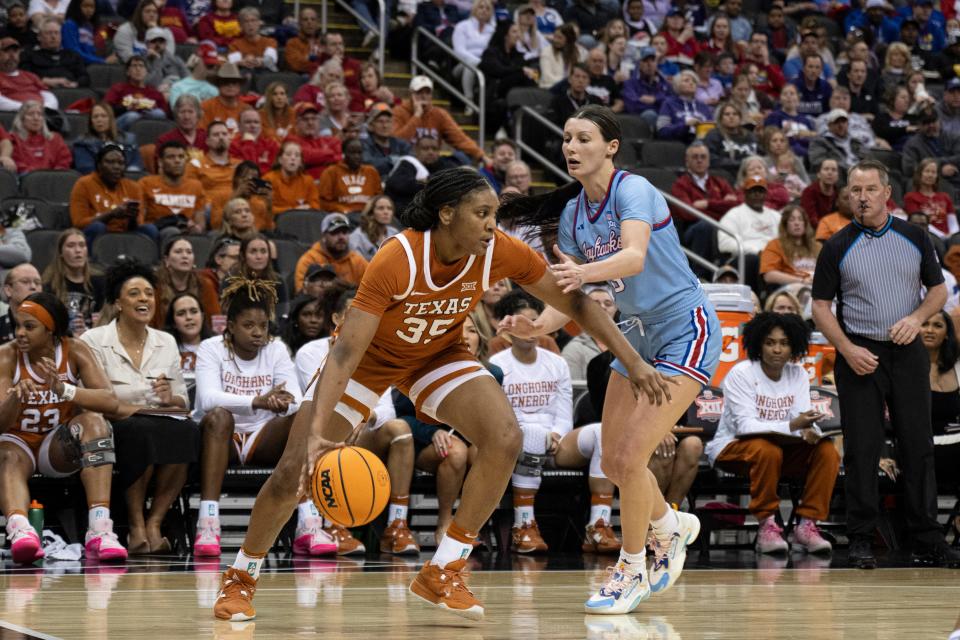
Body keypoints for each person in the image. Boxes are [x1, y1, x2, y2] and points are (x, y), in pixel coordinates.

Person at [213, 165, 649, 622]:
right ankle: (240, 577)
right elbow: (343, 356)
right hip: (368, 360)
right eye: (481, 213)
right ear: (445, 214)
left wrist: (633, 361)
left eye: (495, 213)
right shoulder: (397, 257)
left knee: (504, 437)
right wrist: (319, 432)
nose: (491, 224)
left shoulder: (498, 250)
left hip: (436, 354)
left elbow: (574, 302)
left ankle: (443, 569)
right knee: (293, 471)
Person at [498, 104, 722, 612]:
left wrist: (584, 272)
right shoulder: (575, 214)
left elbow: (634, 257)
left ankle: (632, 568)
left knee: (627, 457)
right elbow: (573, 297)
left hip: (686, 328)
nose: (571, 148)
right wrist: (538, 324)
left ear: (611, 147)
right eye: (566, 139)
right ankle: (670, 523)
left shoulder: (633, 189)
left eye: (582, 139)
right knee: (618, 461)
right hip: (635, 338)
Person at [811, 159, 960, 569]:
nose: (861, 197)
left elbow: (938, 289)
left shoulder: (914, 236)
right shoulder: (838, 244)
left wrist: (915, 319)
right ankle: (860, 537)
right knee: (863, 447)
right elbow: (820, 306)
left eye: (869, 189)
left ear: (887, 193)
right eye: (855, 190)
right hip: (859, 351)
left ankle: (926, 537)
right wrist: (846, 348)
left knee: (918, 444)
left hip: (907, 351)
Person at [193, 276, 323, 558]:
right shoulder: (211, 348)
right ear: (230, 326)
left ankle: (308, 521)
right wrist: (258, 401)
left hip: (262, 437)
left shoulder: (276, 349)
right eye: (249, 325)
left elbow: (296, 400)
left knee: (301, 417)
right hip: (221, 440)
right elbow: (207, 399)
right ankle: (208, 523)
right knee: (219, 417)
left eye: (262, 326)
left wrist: (282, 404)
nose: (257, 333)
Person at [80, 259, 200, 554]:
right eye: (134, 293)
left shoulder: (167, 341)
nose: (144, 298)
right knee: (141, 432)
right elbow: (90, 398)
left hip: (157, 417)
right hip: (114, 421)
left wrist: (169, 396)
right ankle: (135, 525)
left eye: (148, 293)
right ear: (118, 303)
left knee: (188, 431)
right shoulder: (94, 340)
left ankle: (154, 521)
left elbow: (182, 400)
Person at [0, 292, 126, 564]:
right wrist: (14, 397)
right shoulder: (7, 356)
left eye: (29, 327)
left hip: (55, 446)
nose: (20, 333)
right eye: (17, 325)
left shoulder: (75, 350)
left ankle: (100, 530)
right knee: (6, 453)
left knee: (94, 422)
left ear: (51, 329)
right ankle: (20, 530)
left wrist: (64, 389)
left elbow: (110, 401)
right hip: (17, 443)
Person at [704, 312, 839, 554]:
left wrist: (809, 430)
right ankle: (766, 526)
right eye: (770, 342)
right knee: (767, 449)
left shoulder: (797, 374)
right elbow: (745, 427)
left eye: (784, 343)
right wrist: (793, 426)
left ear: (794, 346)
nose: (777, 349)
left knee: (826, 451)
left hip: (780, 452)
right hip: (732, 449)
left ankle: (807, 527)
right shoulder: (742, 372)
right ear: (758, 344)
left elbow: (801, 417)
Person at [70, 144, 159, 247]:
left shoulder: (133, 187)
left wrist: (132, 217)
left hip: (125, 234)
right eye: (110, 162)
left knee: (150, 229)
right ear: (99, 165)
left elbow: (138, 224)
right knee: (98, 227)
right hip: (98, 234)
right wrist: (111, 214)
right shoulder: (83, 184)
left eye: (121, 163)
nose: (116, 167)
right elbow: (78, 223)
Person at [392, 75, 489, 166]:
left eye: (427, 92)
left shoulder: (439, 114)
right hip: (408, 160)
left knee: (463, 157)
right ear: (411, 94)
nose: (423, 96)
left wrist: (482, 156)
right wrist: (417, 116)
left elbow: (459, 138)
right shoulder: (399, 111)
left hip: (433, 161)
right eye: (419, 92)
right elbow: (396, 143)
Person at [920, 310, 960, 495]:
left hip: (955, 441)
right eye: (925, 324)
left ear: (946, 335)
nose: (930, 330)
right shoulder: (903, 369)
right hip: (921, 446)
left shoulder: (957, 367)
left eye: (937, 326)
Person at [41, 229, 105, 336]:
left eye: (82, 245)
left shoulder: (100, 282)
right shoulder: (50, 284)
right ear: (61, 252)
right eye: (71, 246)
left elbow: (105, 320)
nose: (78, 250)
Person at [140, 140, 207, 239]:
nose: (177, 161)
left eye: (181, 157)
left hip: (187, 233)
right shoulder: (146, 183)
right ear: (160, 162)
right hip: (157, 234)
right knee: (172, 231)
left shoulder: (196, 186)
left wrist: (197, 228)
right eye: (171, 157)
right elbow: (140, 220)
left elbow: (200, 221)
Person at [153, 236, 220, 328]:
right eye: (178, 252)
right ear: (167, 260)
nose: (185, 256)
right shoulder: (155, 287)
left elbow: (215, 321)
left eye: (189, 252)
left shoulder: (205, 284)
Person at [669, 141, 739, 225]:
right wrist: (722, 207)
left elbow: (735, 207)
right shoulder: (680, 185)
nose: (699, 160)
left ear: (708, 161)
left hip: (722, 226)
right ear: (687, 161)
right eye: (695, 157)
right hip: (694, 227)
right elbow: (688, 213)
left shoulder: (720, 182)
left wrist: (708, 204)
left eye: (703, 157)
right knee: (706, 225)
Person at [385, 134, 458, 214]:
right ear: (416, 150)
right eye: (425, 149)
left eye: (434, 149)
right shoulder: (408, 162)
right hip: (404, 213)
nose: (431, 152)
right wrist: (426, 182)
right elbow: (396, 184)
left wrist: (427, 181)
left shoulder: (445, 165)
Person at [294, 212, 368, 291]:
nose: (341, 237)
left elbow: (373, 289)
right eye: (335, 232)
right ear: (324, 236)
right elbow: (301, 292)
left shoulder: (358, 262)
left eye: (344, 232)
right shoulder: (309, 260)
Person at [561, 283, 616, 380]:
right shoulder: (574, 349)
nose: (603, 307)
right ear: (584, 310)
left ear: (616, 310)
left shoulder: (630, 343)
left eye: (608, 304)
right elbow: (575, 390)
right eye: (596, 303)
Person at [186, 121, 241, 218]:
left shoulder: (240, 164)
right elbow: (191, 193)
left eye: (224, 134)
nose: (221, 137)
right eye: (216, 135)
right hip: (210, 208)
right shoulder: (196, 164)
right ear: (207, 141)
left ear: (229, 139)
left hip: (237, 206)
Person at [72, 102, 144, 175]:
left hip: (126, 182)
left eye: (103, 116)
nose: (99, 120)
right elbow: (86, 168)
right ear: (91, 122)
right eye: (95, 117)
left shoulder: (128, 140)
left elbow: (136, 165)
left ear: (111, 119)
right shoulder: (82, 143)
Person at [760, 204, 820, 291]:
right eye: (791, 220)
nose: (797, 223)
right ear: (785, 225)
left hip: (817, 286)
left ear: (805, 224)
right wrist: (801, 281)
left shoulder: (817, 246)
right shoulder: (775, 245)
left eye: (800, 219)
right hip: (791, 287)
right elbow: (769, 275)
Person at [317, 138, 382, 214]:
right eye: (352, 153)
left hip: (368, 215)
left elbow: (379, 198)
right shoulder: (331, 172)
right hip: (342, 215)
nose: (356, 156)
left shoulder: (371, 172)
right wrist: (342, 210)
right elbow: (324, 202)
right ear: (344, 153)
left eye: (359, 153)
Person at [20, 16, 89, 89]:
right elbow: (24, 76)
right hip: (42, 91)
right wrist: (47, 81)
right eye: (49, 33)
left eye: (57, 33)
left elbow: (85, 77)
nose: (53, 36)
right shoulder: (29, 55)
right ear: (39, 37)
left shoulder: (73, 55)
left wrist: (75, 84)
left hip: (72, 90)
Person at [104, 55, 169, 132]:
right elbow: (106, 109)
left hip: (149, 123)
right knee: (132, 116)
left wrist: (154, 107)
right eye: (134, 66)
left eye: (141, 66)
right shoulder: (118, 88)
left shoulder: (154, 92)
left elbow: (165, 114)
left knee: (158, 113)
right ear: (128, 72)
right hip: (123, 120)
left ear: (146, 72)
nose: (138, 69)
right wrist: (126, 108)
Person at [8, 100, 71, 174]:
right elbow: (18, 164)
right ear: (22, 119)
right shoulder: (13, 139)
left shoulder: (55, 138)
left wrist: (54, 176)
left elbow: (64, 161)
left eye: (40, 114)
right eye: (31, 114)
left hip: (54, 180)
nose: (36, 118)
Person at [284, 102, 342, 179]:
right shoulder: (291, 140)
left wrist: (316, 158)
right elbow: (306, 157)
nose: (310, 123)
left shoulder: (331, 140)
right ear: (296, 123)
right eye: (305, 119)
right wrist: (330, 153)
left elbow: (340, 158)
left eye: (313, 119)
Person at [904, 158, 958, 239]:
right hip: (928, 236)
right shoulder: (910, 197)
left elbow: (953, 222)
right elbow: (919, 223)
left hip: (949, 237)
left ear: (937, 176)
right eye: (927, 171)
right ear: (920, 174)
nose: (930, 175)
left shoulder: (945, 196)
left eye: (933, 172)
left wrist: (953, 235)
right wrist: (942, 236)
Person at [0, 37, 57, 112]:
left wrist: (44, 108)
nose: (12, 55)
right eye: (7, 51)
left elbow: (49, 96)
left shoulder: (31, 76)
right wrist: (28, 108)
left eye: (15, 51)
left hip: (41, 114)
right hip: (13, 116)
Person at [622, 46, 672, 129]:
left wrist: (655, 99)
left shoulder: (665, 83)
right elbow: (632, 105)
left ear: (656, 63)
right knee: (650, 114)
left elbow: (671, 102)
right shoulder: (630, 83)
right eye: (645, 61)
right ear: (639, 64)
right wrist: (658, 105)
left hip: (663, 118)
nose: (649, 64)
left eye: (653, 60)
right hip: (638, 121)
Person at [656, 70, 712, 143]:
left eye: (694, 81)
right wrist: (685, 125)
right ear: (677, 85)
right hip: (679, 144)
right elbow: (662, 131)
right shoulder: (668, 104)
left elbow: (712, 129)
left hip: (704, 144)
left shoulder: (704, 107)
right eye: (686, 81)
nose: (691, 83)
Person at [263, 140, 319, 213]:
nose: (293, 158)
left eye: (297, 155)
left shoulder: (308, 181)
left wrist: (308, 207)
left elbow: (315, 206)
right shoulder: (268, 179)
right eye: (288, 154)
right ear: (280, 160)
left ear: (301, 162)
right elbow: (263, 207)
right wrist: (291, 211)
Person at [163, 291, 211, 376]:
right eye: (181, 313)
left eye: (194, 311)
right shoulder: (163, 350)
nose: (189, 317)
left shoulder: (216, 347)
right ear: (173, 322)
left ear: (202, 317)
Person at [703, 101, 758, 173]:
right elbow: (711, 159)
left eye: (735, 114)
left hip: (749, 172)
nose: (731, 117)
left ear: (740, 118)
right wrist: (740, 164)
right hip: (725, 173)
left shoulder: (749, 135)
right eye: (727, 114)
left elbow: (761, 154)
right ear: (721, 118)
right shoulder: (714, 135)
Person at [763, 84, 816, 156]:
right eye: (785, 94)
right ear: (780, 99)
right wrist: (783, 132)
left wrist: (810, 135)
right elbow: (768, 141)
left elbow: (813, 140)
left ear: (798, 98)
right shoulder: (774, 116)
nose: (789, 96)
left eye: (792, 93)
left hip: (807, 156)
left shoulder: (805, 120)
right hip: (785, 156)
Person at [362, 102, 411, 179]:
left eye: (388, 121)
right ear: (371, 125)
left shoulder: (402, 145)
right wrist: (391, 160)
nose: (385, 126)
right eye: (380, 121)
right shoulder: (363, 144)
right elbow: (367, 165)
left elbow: (411, 164)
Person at [200, 63, 248, 138]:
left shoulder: (247, 110)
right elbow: (202, 134)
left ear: (239, 87)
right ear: (218, 85)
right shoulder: (206, 107)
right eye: (226, 82)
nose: (230, 85)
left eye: (234, 82)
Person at [550, 63, 603, 129]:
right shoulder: (558, 101)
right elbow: (553, 127)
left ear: (589, 81)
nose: (580, 81)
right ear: (569, 79)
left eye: (584, 77)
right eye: (577, 76)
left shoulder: (596, 102)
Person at [62, 0, 114, 65]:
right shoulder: (69, 24)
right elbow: (73, 52)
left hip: (88, 64)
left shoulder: (89, 26)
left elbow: (90, 51)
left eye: (92, 7)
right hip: (74, 66)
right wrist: (102, 61)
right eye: (85, 6)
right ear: (76, 7)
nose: (89, 10)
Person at [0, 264, 42, 343]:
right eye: (25, 281)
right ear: (8, 290)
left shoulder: (52, 327)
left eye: (37, 282)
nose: (33, 287)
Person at [227, 7, 277, 73]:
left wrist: (258, 61)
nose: (250, 24)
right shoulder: (235, 44)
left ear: (259, 22)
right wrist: (244, 62)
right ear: (240, 25)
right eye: (246, 21)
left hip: (265, 74)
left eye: (253, 20)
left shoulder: (270, 41)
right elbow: (234, 62)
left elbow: (270, 60)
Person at [349, 194, 398, 262]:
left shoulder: (394, 233)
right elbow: (358, 266)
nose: (386, 212)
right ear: (371, 212)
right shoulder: (357, 236)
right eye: (381, 208)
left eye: (389, 208)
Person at [229, 109, 278, 175]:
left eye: (256, 122)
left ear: (261, 126)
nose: (253, 126)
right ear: (239, 126)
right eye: (248, 122)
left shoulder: (271, 144)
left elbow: (274, 172)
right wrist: (249, 143)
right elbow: (248, 172)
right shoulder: (232, 146)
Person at [539, 23, 585, 89]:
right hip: (550, 87)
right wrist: (568, 82)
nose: (555, 40)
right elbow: (547, 77)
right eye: (555, 36)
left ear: (569, 39)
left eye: (559, 38)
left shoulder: (579, 52)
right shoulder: (546, 51)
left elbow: (582, 72)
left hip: (572, 88)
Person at [872, 85, 918, 152]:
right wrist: (905, 129)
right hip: (889, 152)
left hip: (910, 152)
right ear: (892, 100)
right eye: (903, 97)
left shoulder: (913, 118)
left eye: (908, 98)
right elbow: (882, 132)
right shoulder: (881, 117)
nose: (907, 100)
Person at [800, 159, 839, 228]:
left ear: (837, 176)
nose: (830, 173)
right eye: (826, 169)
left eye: (834, 170)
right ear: (818, 174)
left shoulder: (839, 193)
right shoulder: (809, 192)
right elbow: (811, 219)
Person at [283, 7, 322, 74]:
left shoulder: (323, 43)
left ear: (317, 23)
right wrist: (317, 63)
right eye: (305, 19)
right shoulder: (292, 43)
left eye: (313, 19)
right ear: (300, 23)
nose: (309, 22)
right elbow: (296, 65)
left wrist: (306, 59)